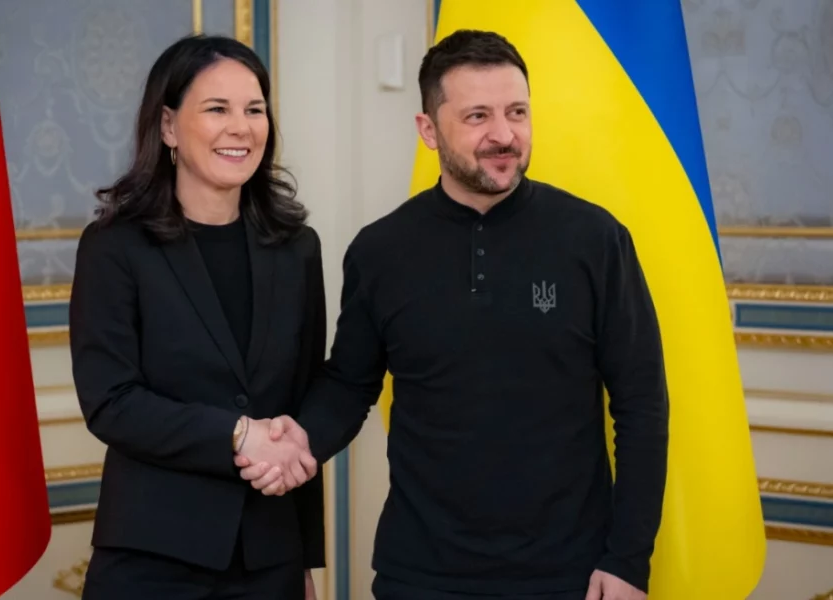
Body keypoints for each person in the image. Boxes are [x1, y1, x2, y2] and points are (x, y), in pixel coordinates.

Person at [235, 29, 669, 600]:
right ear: (428, 130)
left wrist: (629, 561)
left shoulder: (597, 240)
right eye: (478, 116)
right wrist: (297, 443)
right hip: (419, 576)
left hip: (570, 576)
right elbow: (349, 384)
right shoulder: (380, 251)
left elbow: (641, 405)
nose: (504, 134)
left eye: (517, 112)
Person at [68, 34, 324, 600]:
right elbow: (110, 402)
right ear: (167, 126)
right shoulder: (114, 246)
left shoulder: (297, 247)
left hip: (270, 560)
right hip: (152, 558)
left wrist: (305, 561)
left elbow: (299, 409)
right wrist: (237, 434)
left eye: (254, 110)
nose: (241, 128)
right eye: (217, 109)